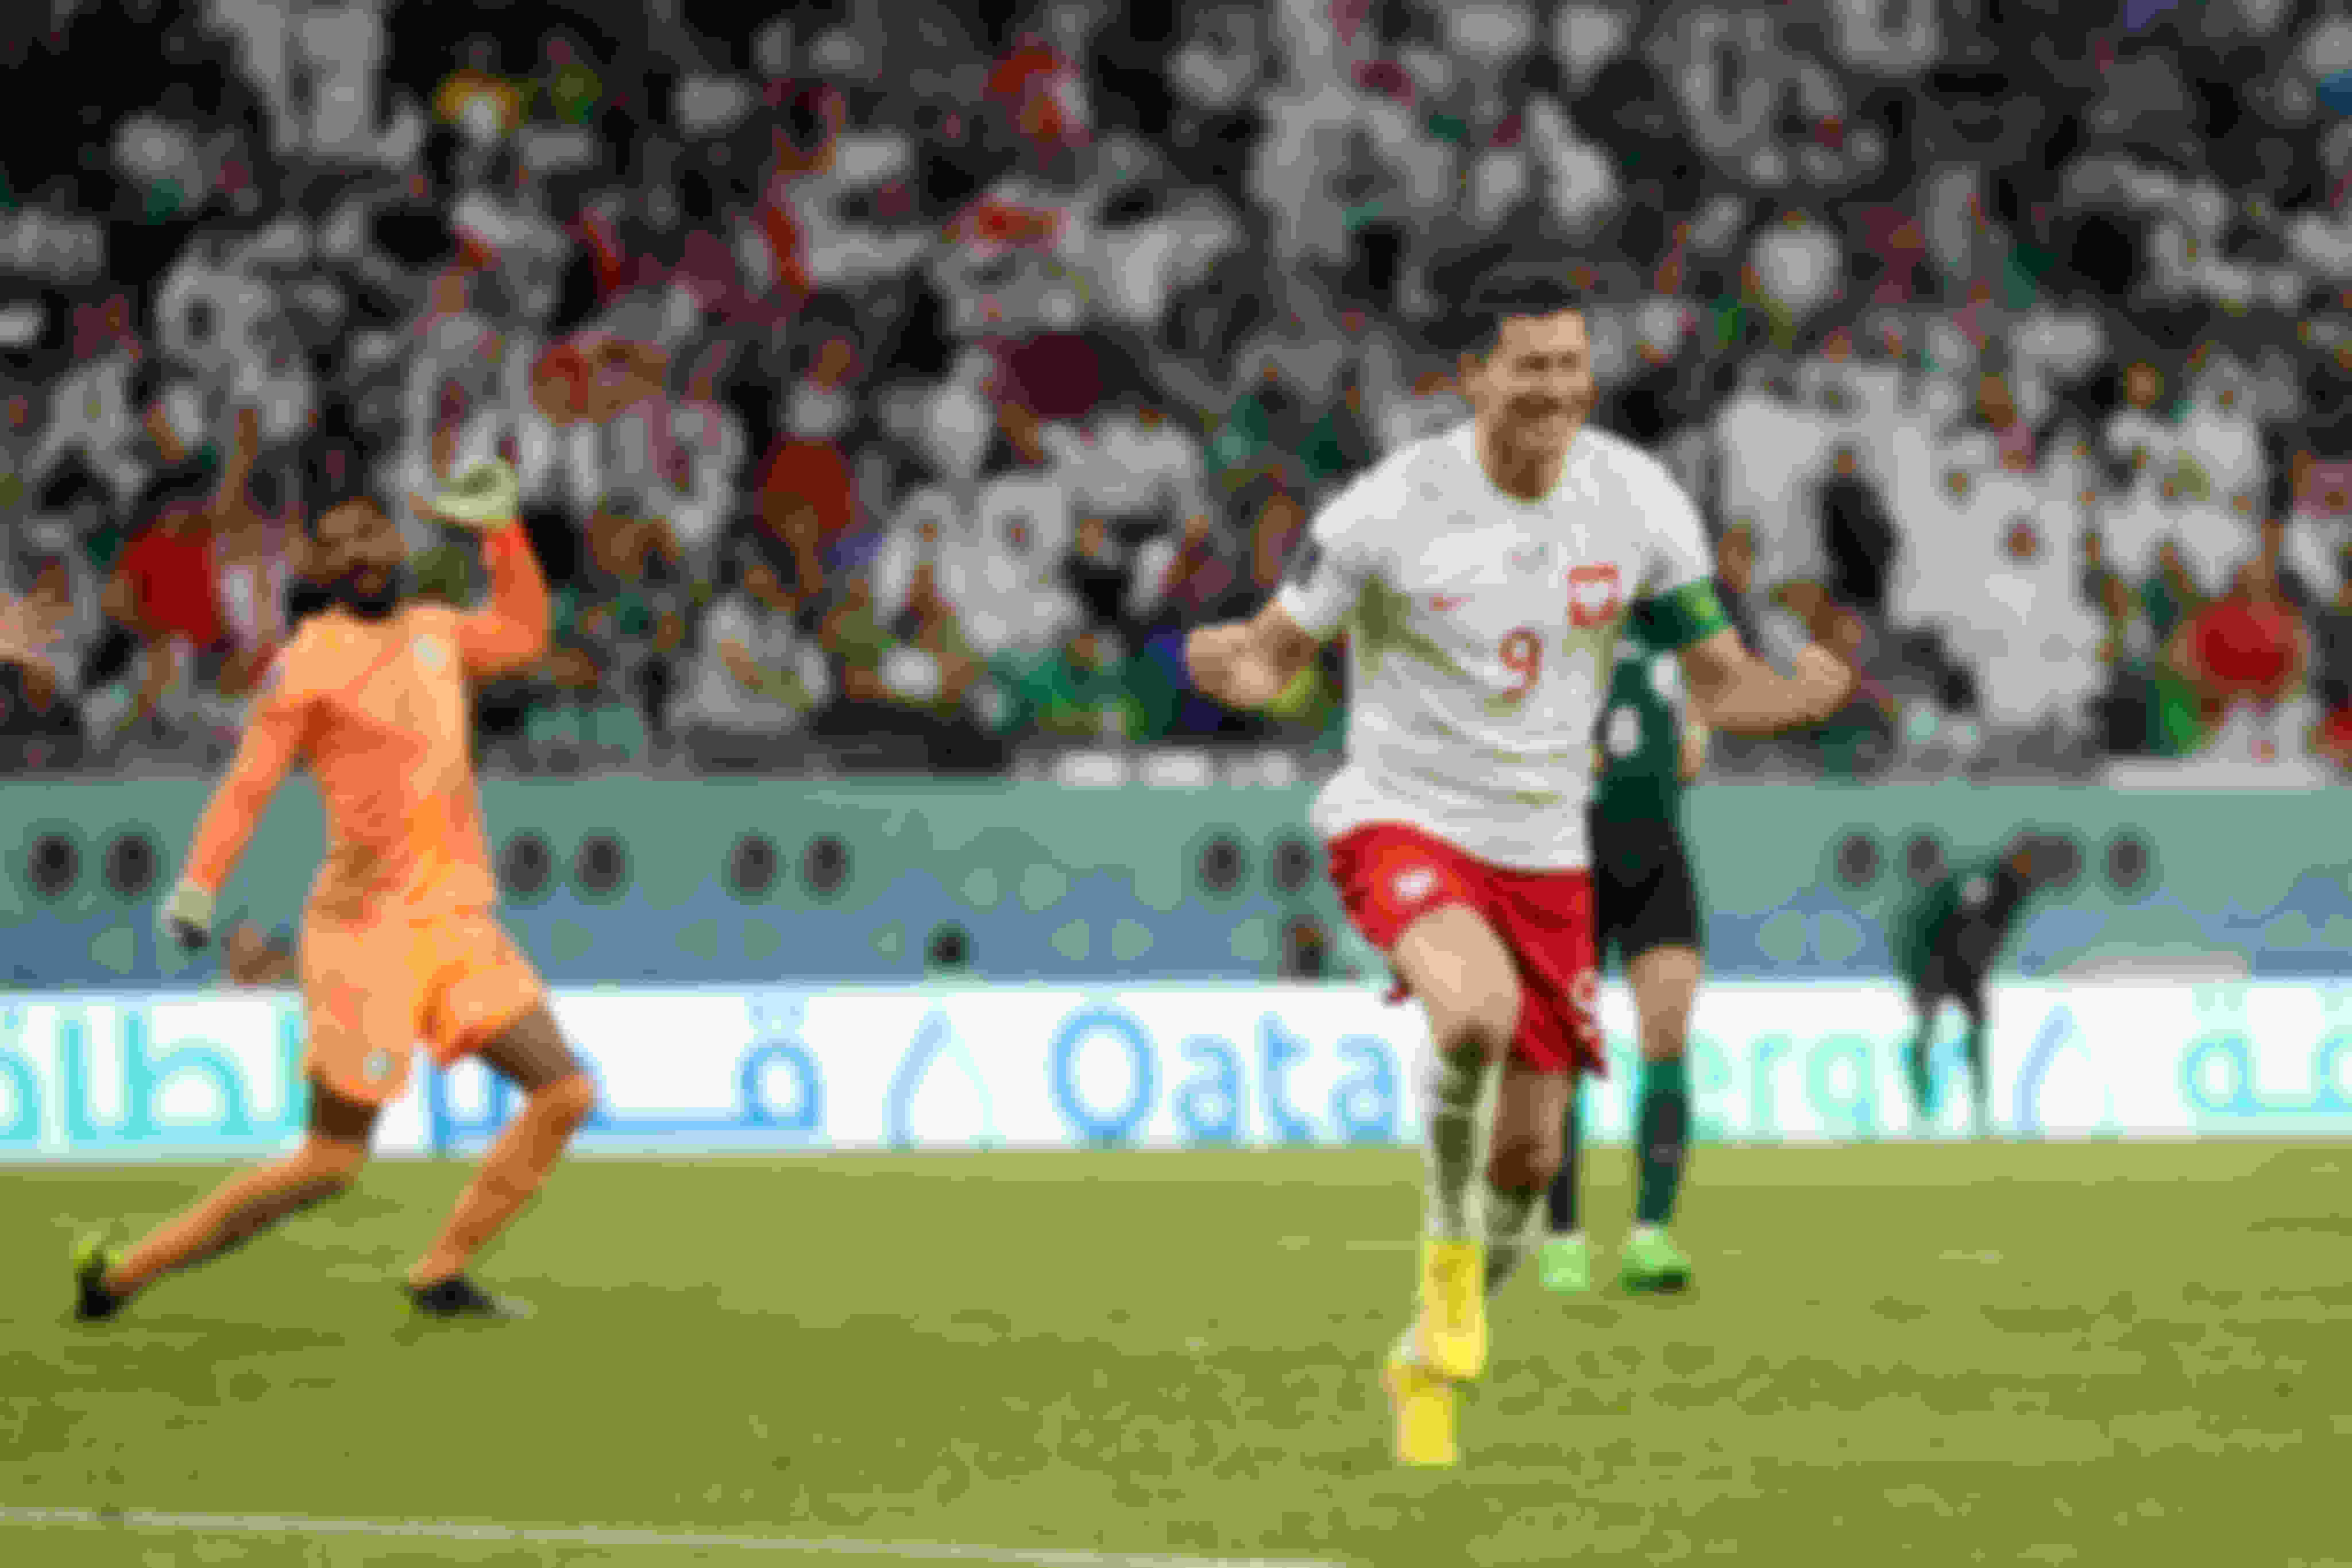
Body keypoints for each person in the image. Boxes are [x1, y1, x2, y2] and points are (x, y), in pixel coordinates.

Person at [1183, 271, 1853, 1468]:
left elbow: (1717, 680)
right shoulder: (1391, 508)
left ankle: (1426, 1346)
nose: (1556, 388)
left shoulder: (1638, 501)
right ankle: (1445, 1270)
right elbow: (1276, 650)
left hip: (1548, 848)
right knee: (1471, 1013)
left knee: (1532, 1160)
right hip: (1405, 818)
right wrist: (1234, 664)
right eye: (1529, 365)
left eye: (1569, 364)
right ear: (1472, 378)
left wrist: (1790, 701)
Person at [71, 459, 600, 1324]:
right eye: (336, 539)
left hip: (457, 923)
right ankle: (124, 1273)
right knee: (330, 1161)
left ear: (397, 543)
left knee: (565, 1091)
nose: (360, 547)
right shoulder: (307, 664)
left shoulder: (436, 631)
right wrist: (197, 889)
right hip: (363, 937)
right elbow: (248, 785)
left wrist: (503, 532)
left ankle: (441, 1270)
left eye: (371, 528)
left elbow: (525, 635)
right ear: (315, 570)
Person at [1538, 608, 1713, 1299]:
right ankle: (1564, 1237)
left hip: (1657, 861)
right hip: (1571, 862)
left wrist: (1690, 721)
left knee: (1665, 1035)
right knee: (1564, 1051)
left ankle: (1651, 1234)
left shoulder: (1676, 645)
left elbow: (1693, 757)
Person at [1893, 832, 2054, 1137]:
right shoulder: (1985, 882)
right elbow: (1963, 919)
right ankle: (1922, 1110)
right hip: (1932, 961)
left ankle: (1977, 1110)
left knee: (1973, 1029)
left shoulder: (2014, 892)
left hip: (1961, 968)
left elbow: (1985, 934)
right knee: (1929, 1030)